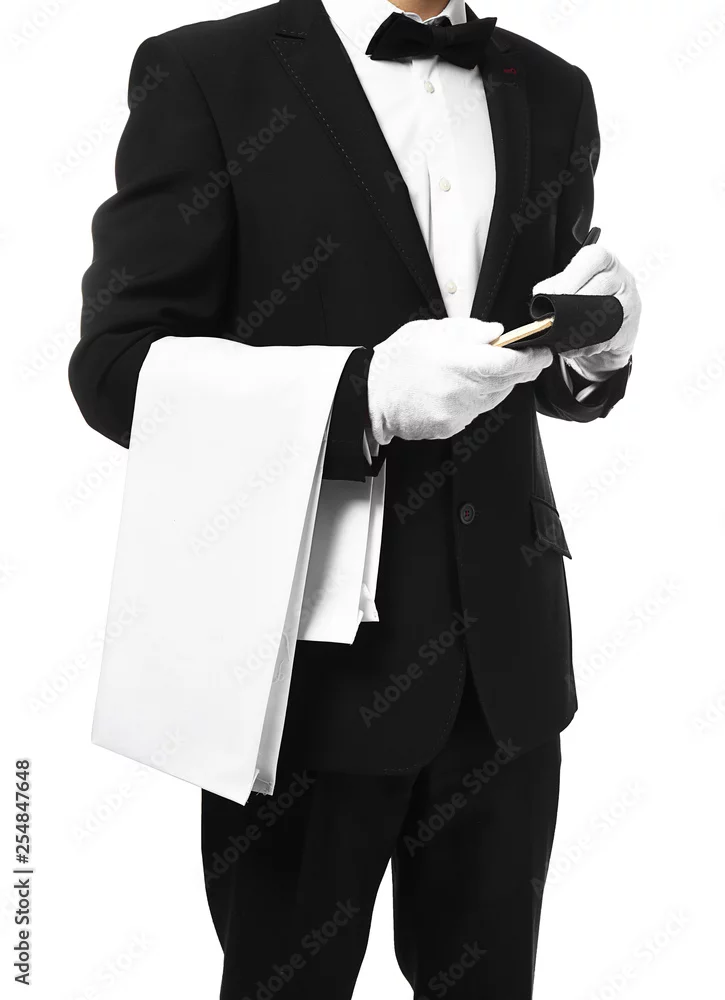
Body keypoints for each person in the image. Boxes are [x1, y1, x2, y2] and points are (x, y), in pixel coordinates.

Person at [68, 0, 641, 996]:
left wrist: (595, 353)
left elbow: (521, 360)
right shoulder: (205, 73)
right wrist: (361, 393)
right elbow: (117, 370)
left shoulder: (553, 89)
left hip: (508, 662)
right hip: (300, 664)